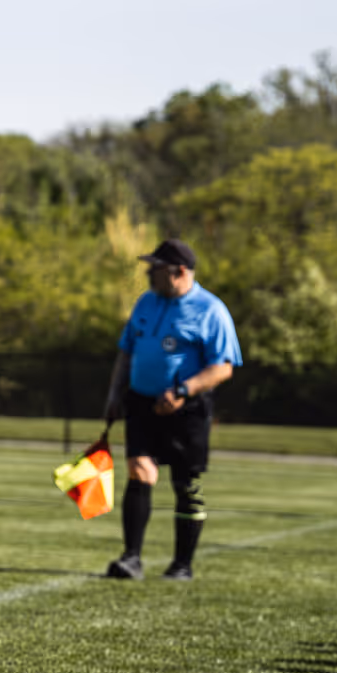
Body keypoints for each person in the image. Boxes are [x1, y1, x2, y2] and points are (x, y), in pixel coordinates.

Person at [101, 239, 242, 581]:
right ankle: (131, 558)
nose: (149, 273)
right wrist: (114, 394)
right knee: (139, 470)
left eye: (156, 268)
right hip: (141, 402)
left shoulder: (211, 310)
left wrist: (184, 390)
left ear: (179, 272)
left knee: (186, 483)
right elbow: (127, 351)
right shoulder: (146, 302)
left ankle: (182, 565)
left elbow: (224, 366)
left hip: (186, 410)